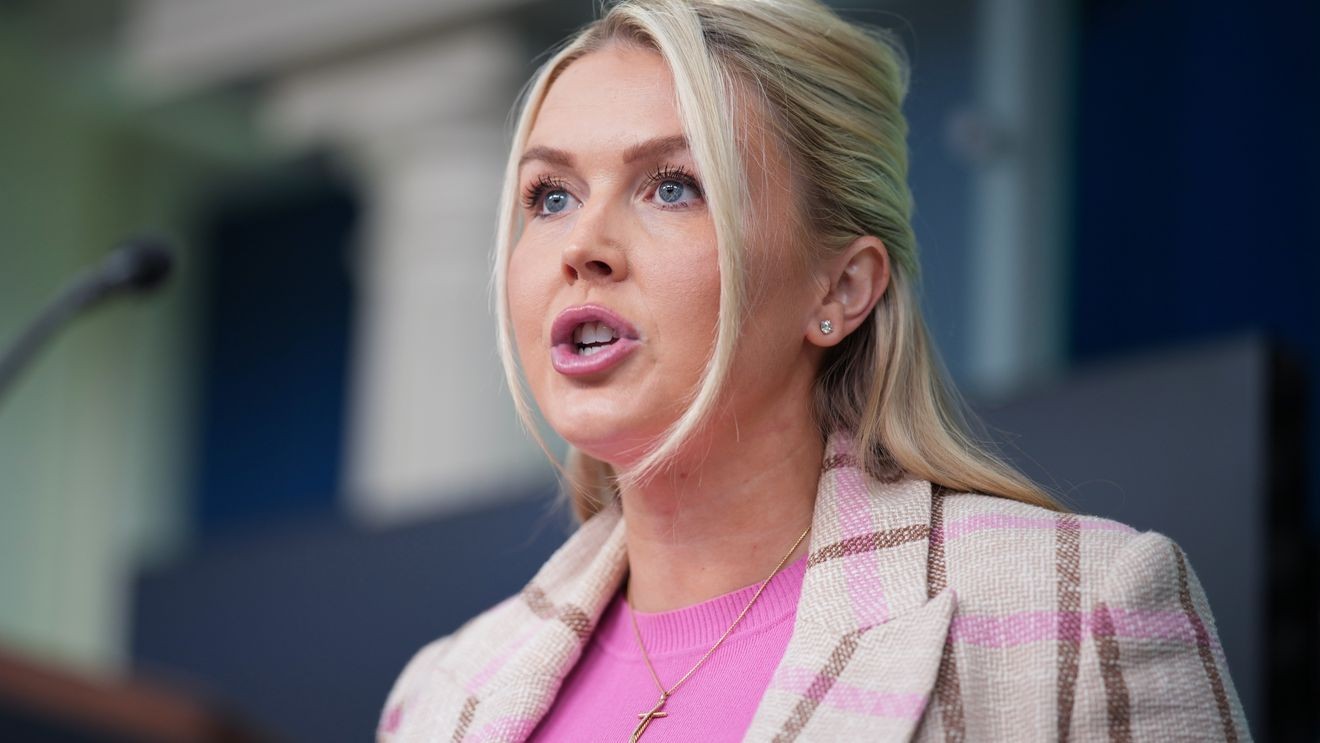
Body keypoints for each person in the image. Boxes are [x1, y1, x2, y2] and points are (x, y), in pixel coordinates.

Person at [378, 0, 1249, 740]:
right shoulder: (437, 696)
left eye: (674, 185)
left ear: (841, 286)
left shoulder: (1084, 614)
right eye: (550, 196)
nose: (582, 246)